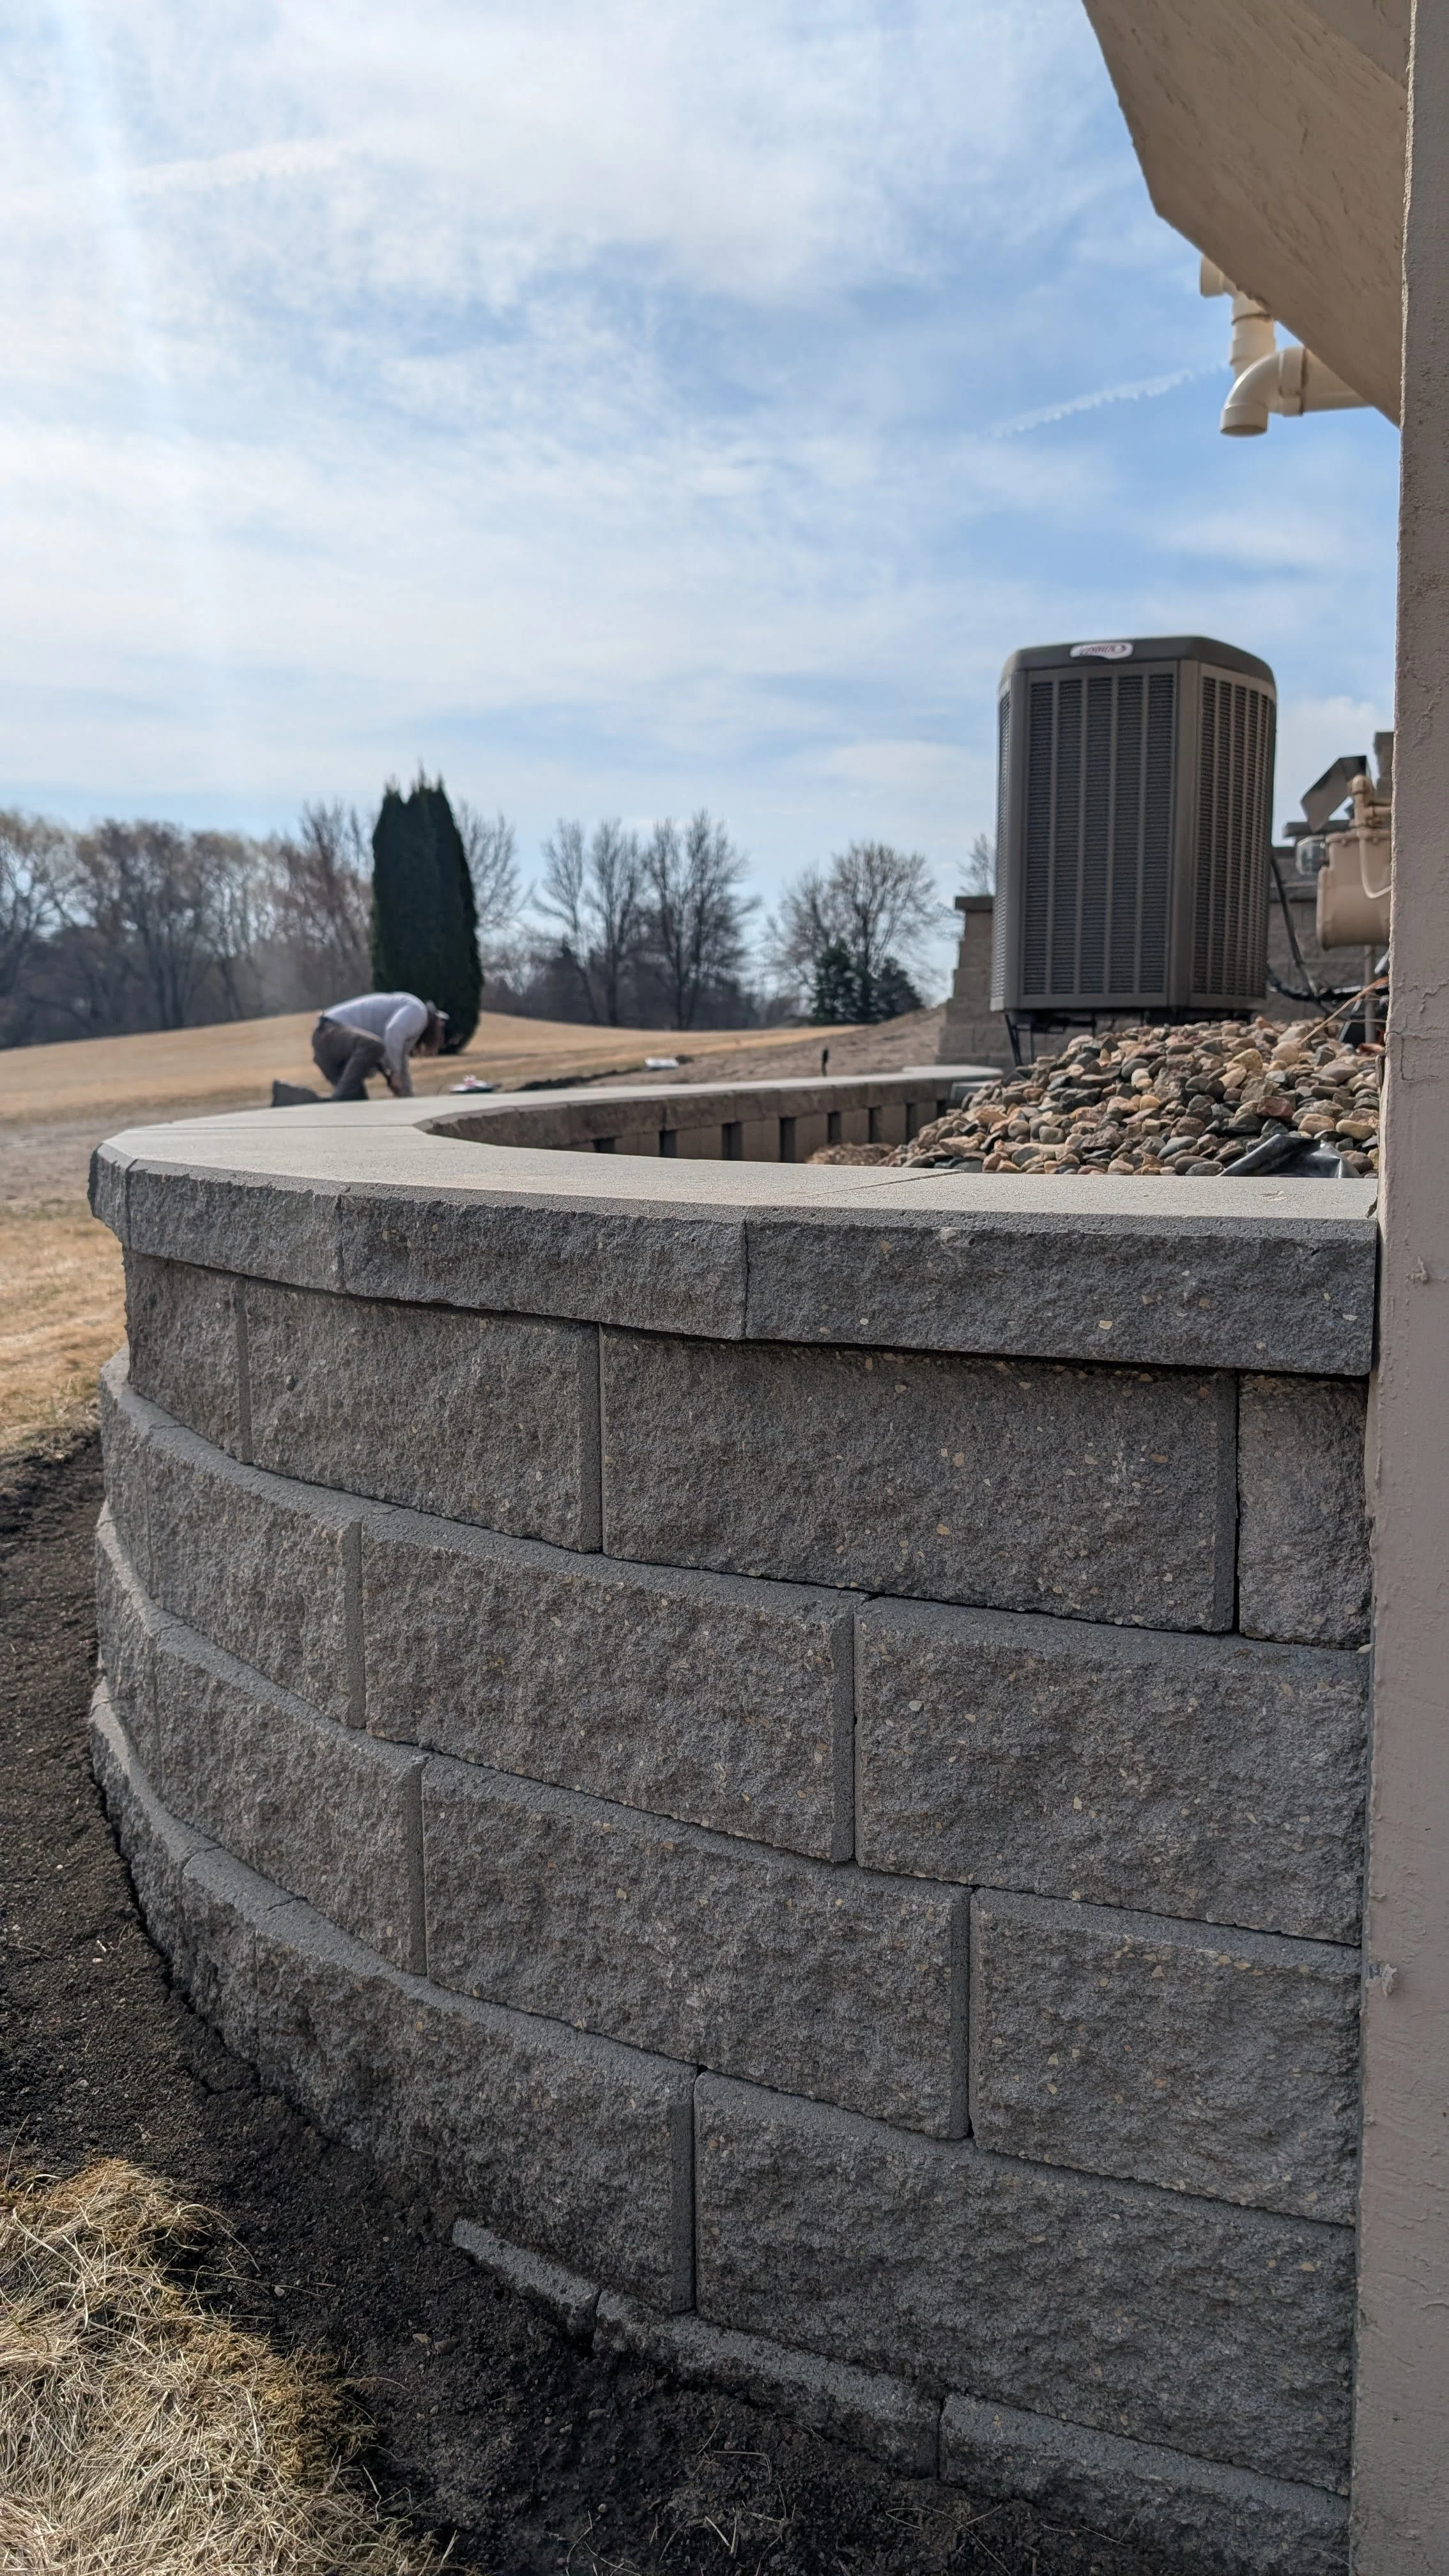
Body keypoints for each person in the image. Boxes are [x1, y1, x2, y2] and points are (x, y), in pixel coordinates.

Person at [310, 991, 446, 1098]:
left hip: (326, 1041)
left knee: (356, 1101)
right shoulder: (418, 1011)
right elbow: (393, 1032)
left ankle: (318, 1100)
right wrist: (395, 1074)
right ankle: (337, 1099)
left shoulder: (409, 1017)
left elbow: (399, 1059)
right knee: (374, 1047)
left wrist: (406, 1095)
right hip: (330, 1031)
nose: (441, 1027)